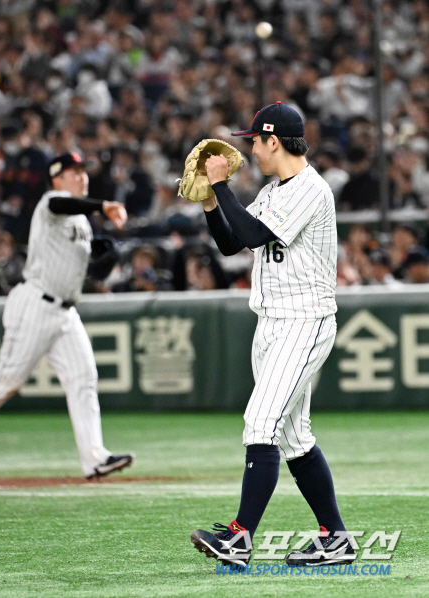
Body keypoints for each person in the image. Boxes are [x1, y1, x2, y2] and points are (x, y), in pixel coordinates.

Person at [190, 103, 354, 567]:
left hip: (304, 320)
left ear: (274, 141)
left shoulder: (310, 189)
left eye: (255, 141)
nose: (252, 149)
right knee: (293, 437)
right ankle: (335, 538)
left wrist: (221, 183)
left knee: (260, 423)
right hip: (273, 322)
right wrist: (208, 203)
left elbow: (255, 234)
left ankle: (239, 537)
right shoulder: (272, 189)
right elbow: (232, 241)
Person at [0, 153, 134, 481]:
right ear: (57, 178)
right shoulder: (51, 202)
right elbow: (63, 205)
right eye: (73, 172)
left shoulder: (82, 222)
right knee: (8, 379)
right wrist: (103, 206)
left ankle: (94, 458)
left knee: (83, 378)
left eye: (82, 171)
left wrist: (100, 263)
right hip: (35, 303)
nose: (81, 176)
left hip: (64, 311)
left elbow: (77, 268)